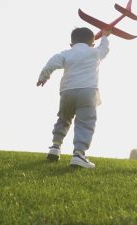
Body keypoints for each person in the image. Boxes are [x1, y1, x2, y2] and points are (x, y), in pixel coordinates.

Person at [36, 27, 111, 168]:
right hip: (88, 92)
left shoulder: (67, 53)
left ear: (71, 44)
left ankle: (55, 147)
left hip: (67, 92)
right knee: (85, 122)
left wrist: (43, 77)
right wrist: (106, 36)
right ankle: (79, 154)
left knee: (63, 118)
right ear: (92, 44)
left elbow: (51, 63)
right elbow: (104, 49)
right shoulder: (95, 52)